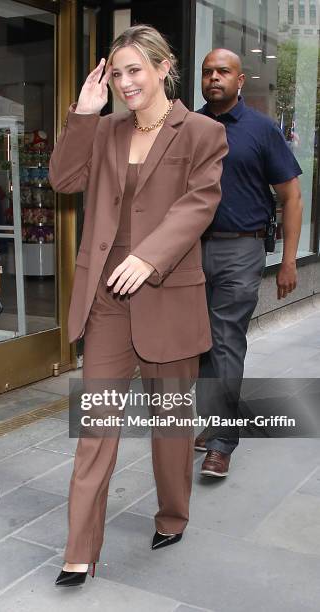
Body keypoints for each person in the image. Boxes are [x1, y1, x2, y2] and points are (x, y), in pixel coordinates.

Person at [48, 25, 228, 587]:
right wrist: (83, 111)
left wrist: (150, 258)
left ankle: (173, 513)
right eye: (117, 72)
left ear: (162, 67)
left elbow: (199, 203)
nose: (125, 82)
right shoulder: (103, 132)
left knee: (171, 424)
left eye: (134, 71)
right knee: (97, 425)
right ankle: (80, 550)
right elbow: (62, 178)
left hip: (166, 293)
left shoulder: (201, 132)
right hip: (106, 296)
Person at [194, 49, 303, 477]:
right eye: (207, 72)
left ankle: (222, 440)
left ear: (240, 80)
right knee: (198, 343)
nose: (214, 78)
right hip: (190, 251)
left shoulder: (261, 129)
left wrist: (289, 260)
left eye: (223, 72)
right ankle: (214, 420)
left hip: (241, 250)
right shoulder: (190, 126)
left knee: (224, 340)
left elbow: (291, 197)